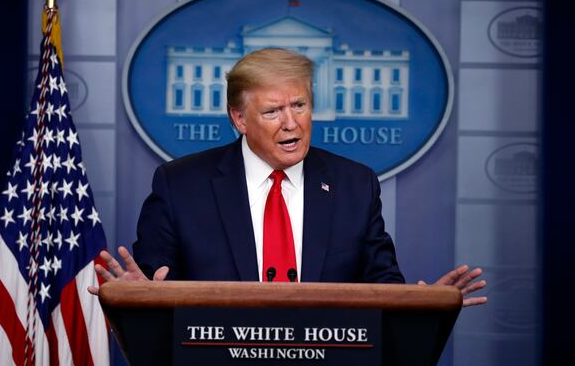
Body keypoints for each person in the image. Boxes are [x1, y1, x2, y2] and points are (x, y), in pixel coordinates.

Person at [88, 48, 486, 306]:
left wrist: (420, 306)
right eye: (273, 111)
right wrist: (138, 296)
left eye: (300, 105)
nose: (291, 123)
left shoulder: (355, 185)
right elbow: (152, 285)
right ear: (239, 119)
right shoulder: (180, 185)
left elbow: (381, 284)